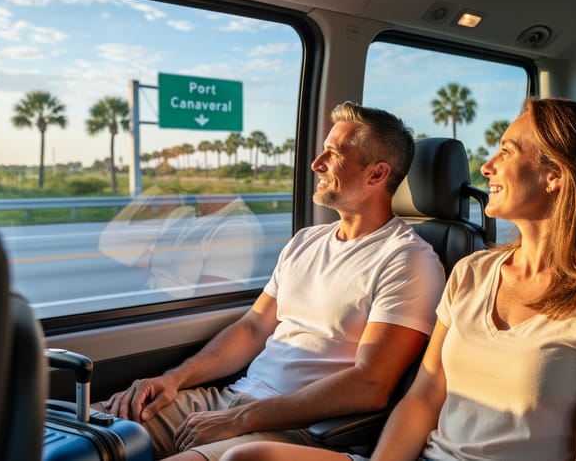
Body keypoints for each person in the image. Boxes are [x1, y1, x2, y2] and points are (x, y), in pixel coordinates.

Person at [219, 97, 576, 461]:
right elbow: (424, 398)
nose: (487, 167)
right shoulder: (472, 272)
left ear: (556, 175)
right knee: (246, 458)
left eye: (506, 151)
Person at [100, 101, 446, 461]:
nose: (317, 164)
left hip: (296, 426)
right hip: (229, 400)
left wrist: (241, 419)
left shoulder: (407, 260)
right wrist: (173, 380)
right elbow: (252, 329)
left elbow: (370, 384)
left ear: (376, 175)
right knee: (85, 433)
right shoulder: (305, 241)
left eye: (334, 154)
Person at [99, 187, 264, 298]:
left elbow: (209, 306)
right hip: (145, 300)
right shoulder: (184, 214)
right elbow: (110, 243)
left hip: (169, 317)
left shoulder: (237, 227)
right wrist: (150, 193)